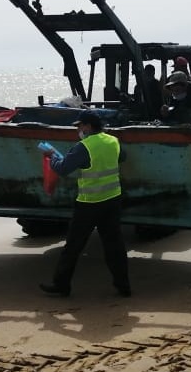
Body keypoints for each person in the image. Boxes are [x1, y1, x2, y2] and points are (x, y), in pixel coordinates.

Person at [39, 111, 132, 298]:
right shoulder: (113, 140)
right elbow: (122, 157)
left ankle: (61, 285)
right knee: (114, 245)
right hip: (112, 199)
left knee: (73, 246)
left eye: (79, 126)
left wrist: (52, 156)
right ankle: (124, 286)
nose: (78, 130)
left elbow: (63, 169)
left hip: (89, 203)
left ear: (88, 126)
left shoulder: (84, 146)